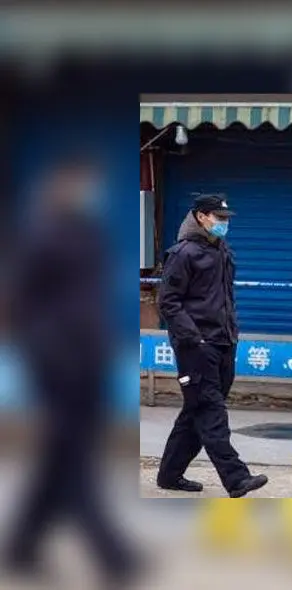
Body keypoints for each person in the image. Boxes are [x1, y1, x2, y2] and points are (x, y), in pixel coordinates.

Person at [3, 157, 140, 587]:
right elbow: (19, 301)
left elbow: (91, 300)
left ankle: (22, 546)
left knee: (59, 461)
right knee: (76, 458)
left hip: (89, 360)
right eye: (80, 182)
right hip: (58, 363)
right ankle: (113, 556)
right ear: (58, 185)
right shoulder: (41, 235)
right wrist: (44, 351)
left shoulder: (89, 233)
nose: (88, 191)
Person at [156, 194, 268, 498]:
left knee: (196, 410)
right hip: (197, 346)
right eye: (219, 218)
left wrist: (232, 332)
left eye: (227, 218)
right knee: (210, 410)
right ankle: (236, 477)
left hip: (224, 341)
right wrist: (194, 337)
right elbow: (167, 301)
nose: (224, 223)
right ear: (201, 216)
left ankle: (169, 475)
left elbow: (223, 298)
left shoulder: (221, 251)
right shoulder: (183, 253)